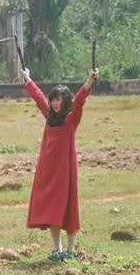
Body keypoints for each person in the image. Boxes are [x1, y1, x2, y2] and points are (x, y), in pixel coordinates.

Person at [20, 68, 99, 261]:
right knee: (52, 209)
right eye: (53, 99)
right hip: (47, 170)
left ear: (65, 101)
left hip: (65, 171)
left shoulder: (72, 119)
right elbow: (39, 98)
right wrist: (28, 78)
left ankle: (71, 250)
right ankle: (58, 249)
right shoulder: (49, 116)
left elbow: (80, 99)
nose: (55, 103)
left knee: (69, 207)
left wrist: (89, 80)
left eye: (59, 99)